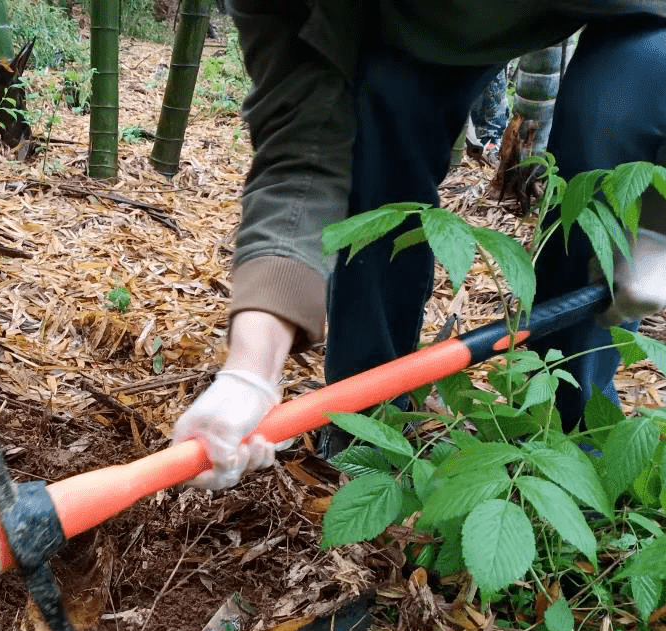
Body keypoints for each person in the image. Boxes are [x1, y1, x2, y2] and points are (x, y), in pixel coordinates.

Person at [172, 2, 666, 491]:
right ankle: (368, 431)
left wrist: (656, 225)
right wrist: (250, 372)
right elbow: (302, 149)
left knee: (608, 128)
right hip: (417, 33)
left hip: (636, 17)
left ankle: (571, 445)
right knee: (375, 139)